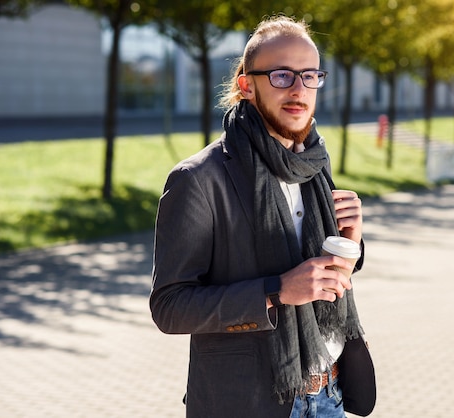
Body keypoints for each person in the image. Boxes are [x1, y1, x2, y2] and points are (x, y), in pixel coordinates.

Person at [150, 15, 374, 418]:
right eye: (281, 76)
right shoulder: (199, 179)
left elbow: (324, 278)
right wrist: (275, 291)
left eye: (309, 76)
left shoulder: (312, 161)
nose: (298, 90)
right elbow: (170, 306)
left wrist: (351, 245)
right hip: (251, 403)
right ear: (246, 86)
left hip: (330, 396)